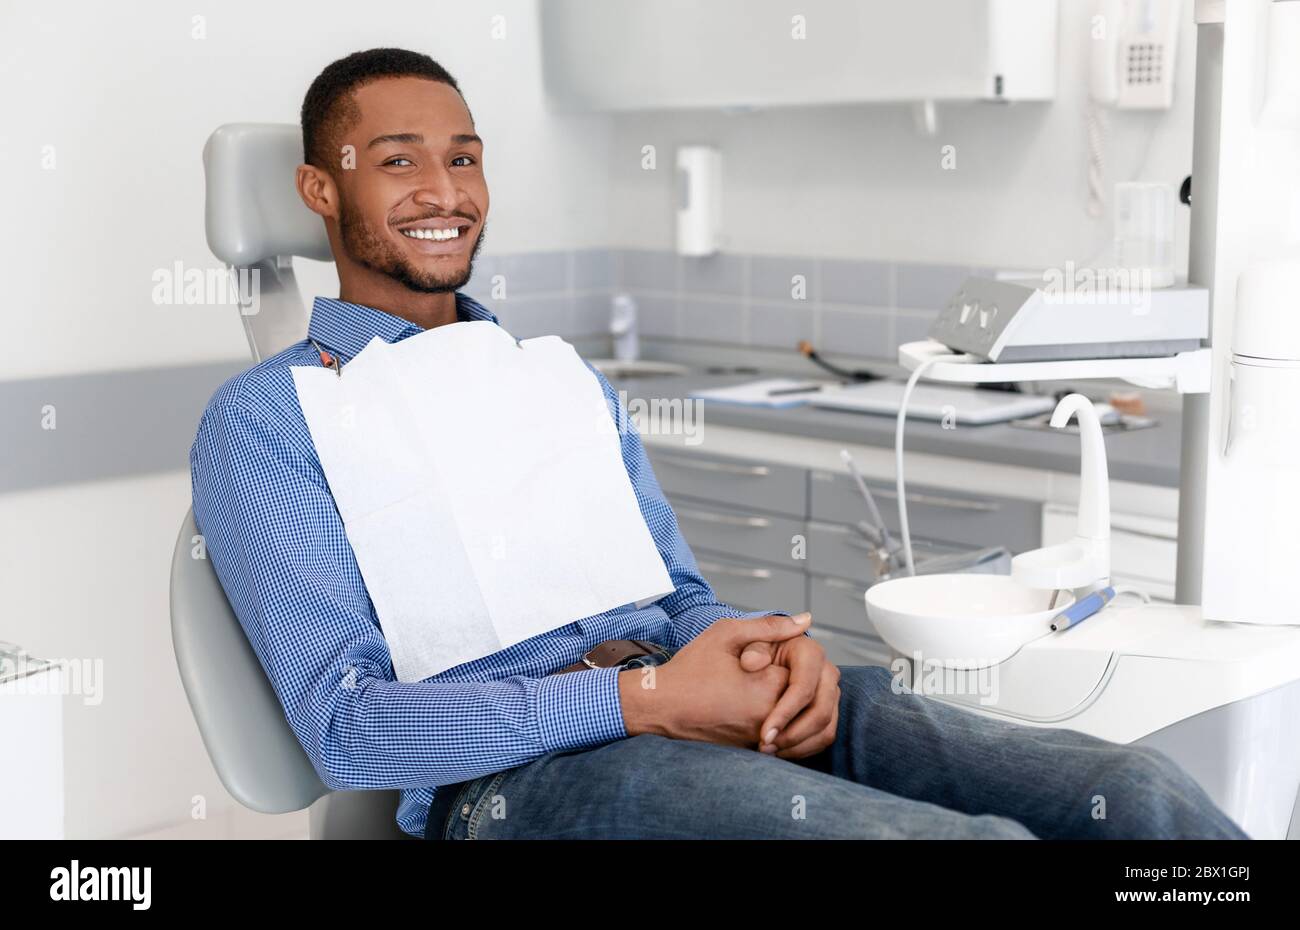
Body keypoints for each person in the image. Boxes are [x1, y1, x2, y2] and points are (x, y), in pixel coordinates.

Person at [190, 47, 1246, 840]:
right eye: (397, 161)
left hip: (695, 695)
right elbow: (349, 728)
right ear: (320, 191)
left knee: (1142, 802)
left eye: (462, 158)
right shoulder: (268, 421)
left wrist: (771, 653)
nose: (443, 190)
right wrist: (645, 699)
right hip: (525, 783)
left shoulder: (552, 380)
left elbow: (678, 599)